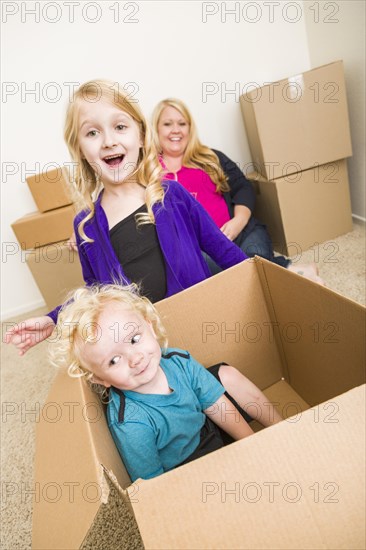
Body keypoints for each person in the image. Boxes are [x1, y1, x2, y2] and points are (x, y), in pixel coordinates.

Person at [5, 79, 248, 356]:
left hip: (201, 327)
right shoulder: (86, 225)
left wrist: (262, 283)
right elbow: (95, 294)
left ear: (142, 136)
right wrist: (52, 319)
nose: (109, 141)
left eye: (120, 127)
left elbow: (224, 251)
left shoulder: (173, 195)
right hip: (145, 355)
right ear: (80, 149)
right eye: (93, 133)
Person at [49, 283, 283, 481]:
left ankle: (281, 429)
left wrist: (252, 446)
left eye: (134, 339)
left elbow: (216, 405)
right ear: (100, 379)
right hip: (186, 469)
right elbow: (154, 483)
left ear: (149, 326)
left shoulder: (178, 360)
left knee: (226, 374)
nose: (135, 358)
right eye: (114, 360)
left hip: (207, 427)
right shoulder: (131, 422)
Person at [151, 98, 323, 283]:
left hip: (242, 232)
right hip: (203, 250)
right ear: (157, 129)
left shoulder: (211, 157)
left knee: (255, 255)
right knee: (226, 270)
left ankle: (286, 271)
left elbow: (243, 187)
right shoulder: (150, 173)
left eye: (182, 124)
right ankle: (293, 270)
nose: (176, 130)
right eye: (168, 124)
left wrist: (238, 221)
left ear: (190, 128)